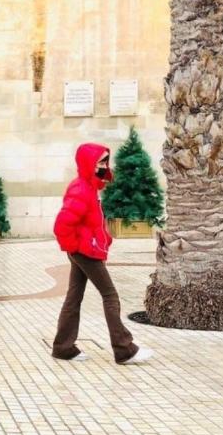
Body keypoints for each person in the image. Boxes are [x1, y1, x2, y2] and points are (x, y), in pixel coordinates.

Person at [52, 143, 153, 365]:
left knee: (74, 297)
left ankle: (63, 347)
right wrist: (76, 246)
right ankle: (124, 349)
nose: (104, 166)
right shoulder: (81, 189)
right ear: (88, 163)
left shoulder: (89, 187)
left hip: (84, 250)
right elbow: (62, 225)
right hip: (84, 252)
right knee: (110, 295)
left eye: (106, 161)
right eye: (100, 162)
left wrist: (100, 239)